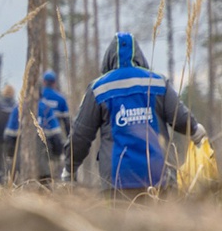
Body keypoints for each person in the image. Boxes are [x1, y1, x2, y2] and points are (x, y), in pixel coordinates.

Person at [67, 31, 206, 193]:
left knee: (117, 218)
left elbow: (80, 134)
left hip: (117, 180)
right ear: (139, 56)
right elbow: (180, 118)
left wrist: (69, 168)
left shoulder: (98, 89)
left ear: (109, 58)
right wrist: (196, 131)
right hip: (159, 177)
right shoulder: (158, 82)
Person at [4, 85, 65, 182]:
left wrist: (10, 155)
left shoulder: (18, 108)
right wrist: (58, 154)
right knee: (45, 186)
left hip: (22, 163)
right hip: (44, 164)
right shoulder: (46, 109)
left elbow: (9, 136)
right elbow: (56, 135)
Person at [41, 68, 71, 140]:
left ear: (44, 82)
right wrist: (69, 139)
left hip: (39, 136)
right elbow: (67, 122)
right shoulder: (61, 99)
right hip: (56, 135)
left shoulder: (38, 97)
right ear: (54, 83)